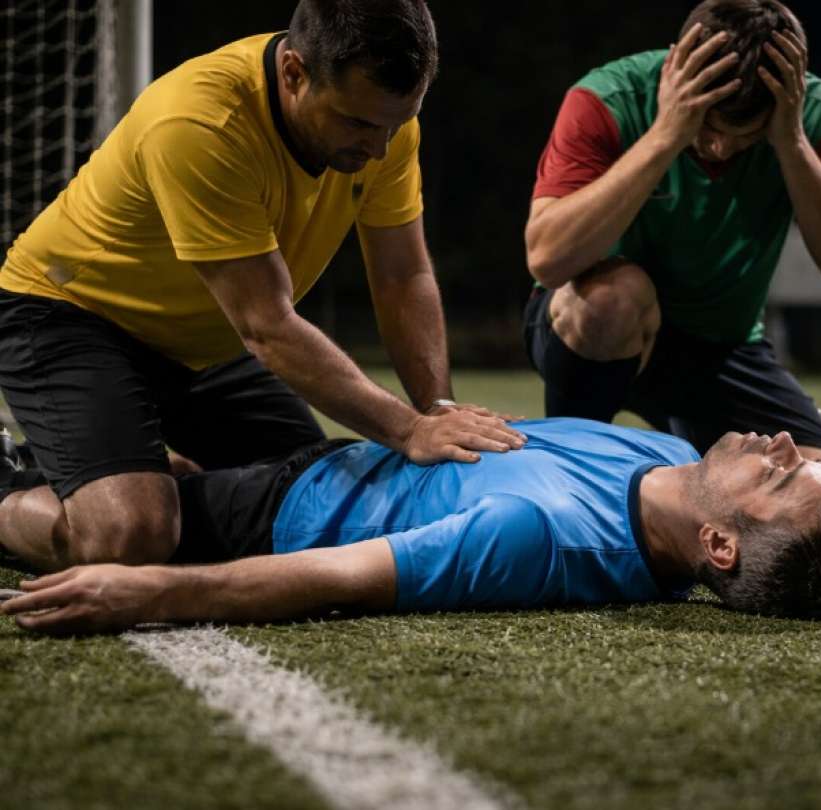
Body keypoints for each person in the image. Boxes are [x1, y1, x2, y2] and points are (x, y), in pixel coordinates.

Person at [0, 0, 524, 572]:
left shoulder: (384, 120)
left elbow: (403, 276)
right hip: (66, 315)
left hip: (205, 339)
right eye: (359, 124)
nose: (380, 147)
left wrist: (438, 410)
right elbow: (267, 326)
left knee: (315, 497)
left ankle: (126, 471)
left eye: (397, 123)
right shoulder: (200, 121)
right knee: (130, 538)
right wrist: (408, 429)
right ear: (294, 73)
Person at [0, 419, 821, 635]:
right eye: (793, 449)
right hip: (347, 448)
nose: (775, 441)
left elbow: (337, 578)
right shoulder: (666, 451)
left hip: (289, 510)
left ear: (721, 546)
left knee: (119, 528)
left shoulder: (539, 536)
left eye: (779, 475)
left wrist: (147, 589)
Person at [523, 0, 821, 478]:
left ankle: (682, 466)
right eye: (709, 126)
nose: (719, 147)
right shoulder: (610, 96)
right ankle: (570, 474)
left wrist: (791, 142)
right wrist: (667, 134)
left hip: (722, 345)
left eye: (744, 135)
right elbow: (546, 259)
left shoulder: (813, 116)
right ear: (676, 67)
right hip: (596, 323)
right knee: (613, 298)